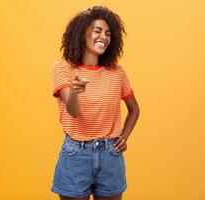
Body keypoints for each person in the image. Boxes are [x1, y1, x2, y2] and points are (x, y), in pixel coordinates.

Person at [50, 6, 140, 200]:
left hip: (111, 155)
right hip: (76, 154)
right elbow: (73, 111)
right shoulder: (63, 69)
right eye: (97, 30)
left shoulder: (117, 73)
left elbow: (134, 109)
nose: (104, 37)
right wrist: (74, 92)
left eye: (108, 33)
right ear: (82, 33)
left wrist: (124, 136)